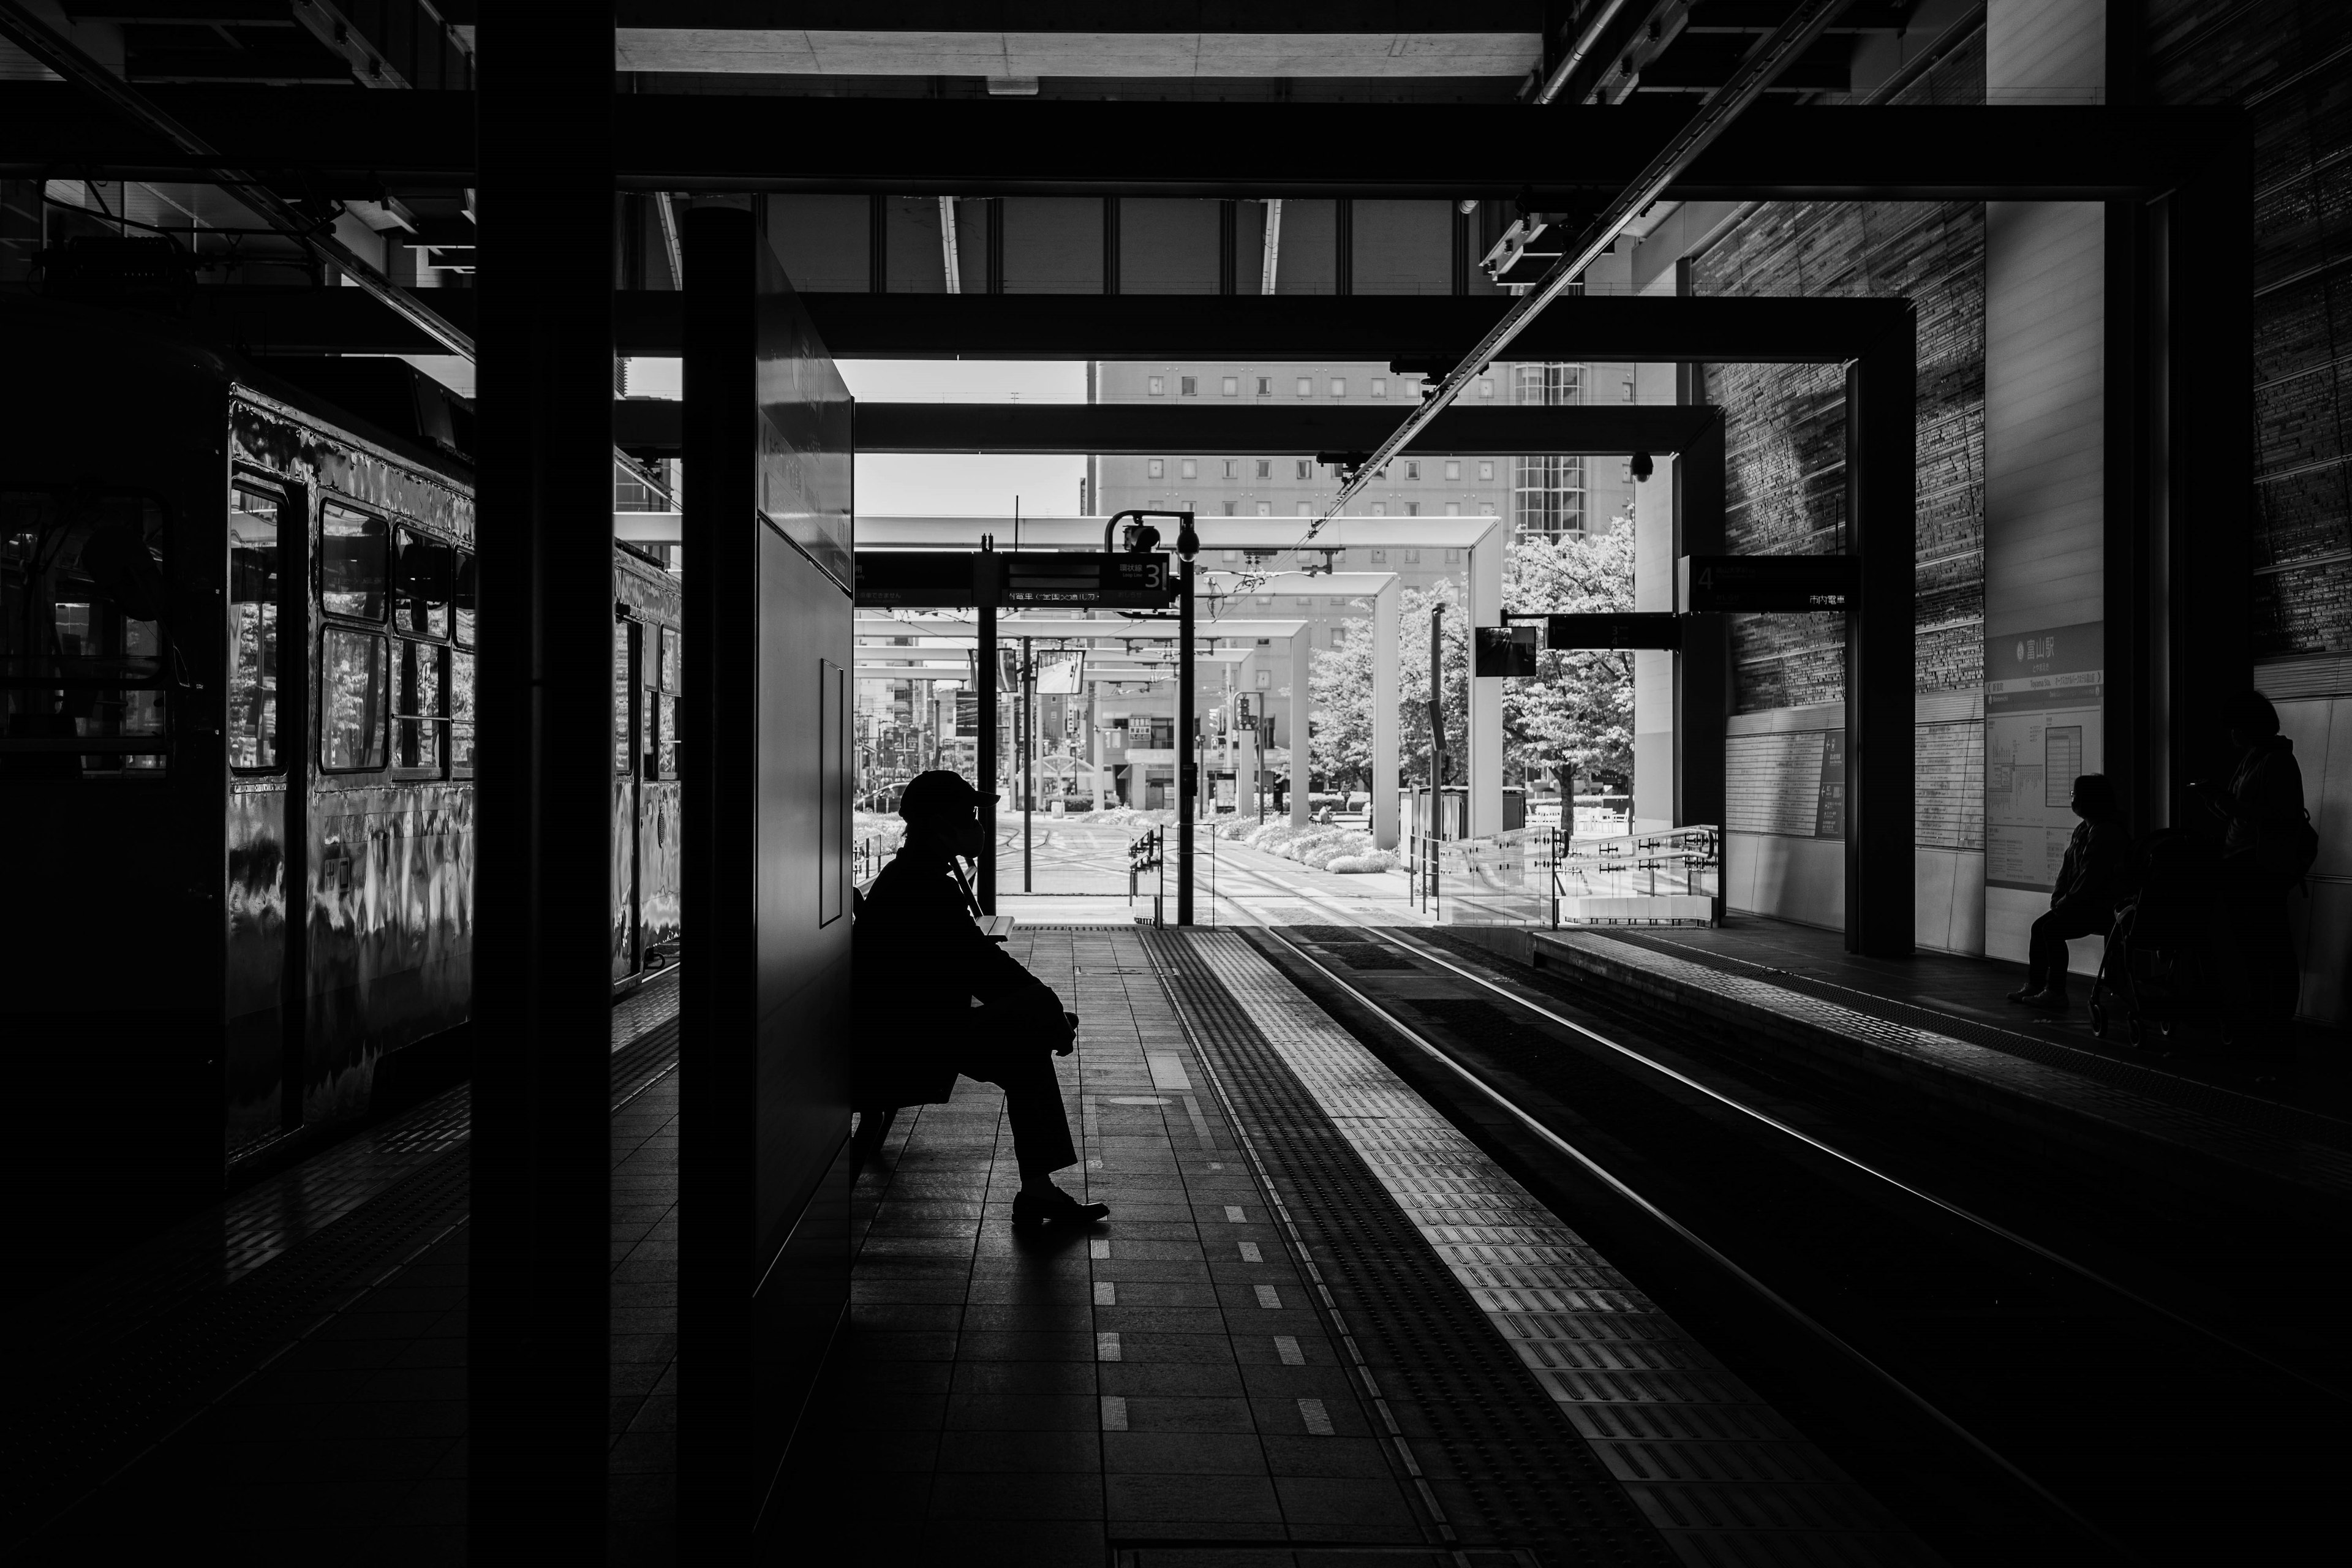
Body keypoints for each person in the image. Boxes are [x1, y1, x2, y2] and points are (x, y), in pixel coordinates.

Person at [850, 769, 1109, 1229]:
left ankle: (1039, 1191)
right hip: (908, 1041)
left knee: (1029, 1047)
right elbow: (983, 970)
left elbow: (976, 966)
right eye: (968, 815)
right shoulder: (923, 887)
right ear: (938, 825)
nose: (977, 825)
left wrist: (1042, 1010)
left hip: (906, 1028)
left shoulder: (912, 875)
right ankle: (1038, 1190)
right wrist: (1046, 1010)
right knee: (1035, 1021)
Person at [2193, 691, 2313, 1044]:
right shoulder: (2256, 758)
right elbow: (2242, 812)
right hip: (2245, 863)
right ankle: (2264, 1015)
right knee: (2257, 942)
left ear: (2248, 728)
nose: (2231, 735)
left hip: (2258, 866)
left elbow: (2271, 815)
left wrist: (2221, 800)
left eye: (2235, 728)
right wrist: (2218, 801)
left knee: (2265, 943)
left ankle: (2270, 1018)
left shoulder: (2274, 762)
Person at [2008, 774, 2133, 1011]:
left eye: (2077, 795)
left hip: (2101, 909)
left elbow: (2091, 878)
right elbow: (2067, 869)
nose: (2073, 799)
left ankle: (2055, 992)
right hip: (2080, 904)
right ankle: (2036, 985)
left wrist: (2066, 902)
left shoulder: (2105, 833)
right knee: (2040, 927)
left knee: (2050, 930)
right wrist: (2060, 898)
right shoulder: (2084, 830)